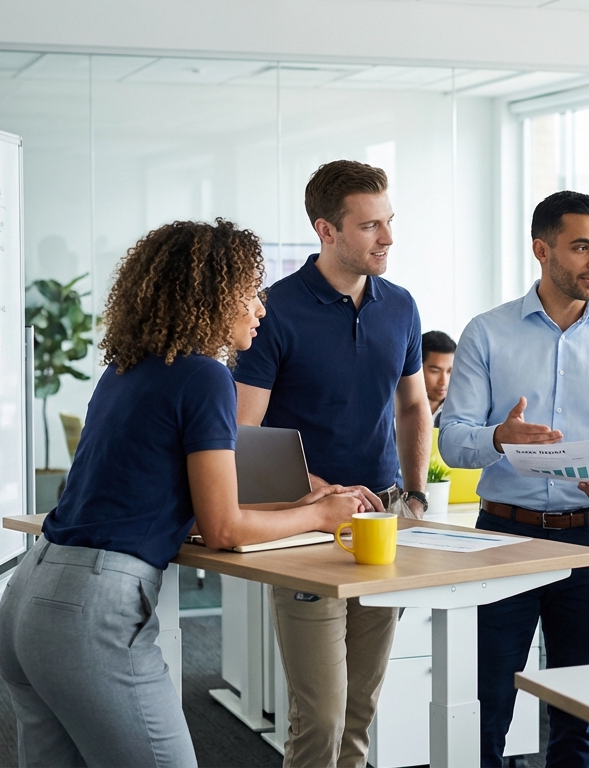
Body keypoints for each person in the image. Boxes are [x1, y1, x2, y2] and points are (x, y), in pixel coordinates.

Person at [0, 219, 372, 767]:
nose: (261, 309)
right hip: (91, 612)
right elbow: (224, 529)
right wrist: (321, 518)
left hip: (31, 595)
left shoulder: (126, 369)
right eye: (249, 294)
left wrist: (302, 501)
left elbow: (161, 491)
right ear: (213, 295)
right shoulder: (204, 376)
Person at [440, 190, 589, 767]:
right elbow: (451, 439)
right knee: (489, 702)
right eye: (581, 246)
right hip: (503, 539)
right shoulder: (487, 334)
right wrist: (498, 438)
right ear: (542, 250)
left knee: (580, 710)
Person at [232, 160, 431, 767]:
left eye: (389, 222)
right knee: (319, 715)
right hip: (306, 530)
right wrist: (318, 494)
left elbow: (415, 405)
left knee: (362, 706)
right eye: (370, 225)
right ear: (326, 229)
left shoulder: (400, 307)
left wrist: (415, 493)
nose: (388, 237)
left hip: (380, 525)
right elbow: (245, 430)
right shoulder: (273, 310)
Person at [421, 329, 457, 425]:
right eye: (435, 371)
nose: (443, 381)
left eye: (450, 371)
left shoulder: (461, 412)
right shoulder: (390, 410)